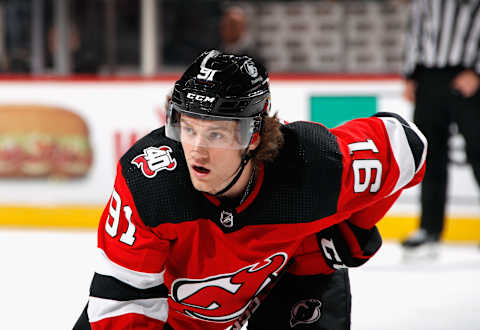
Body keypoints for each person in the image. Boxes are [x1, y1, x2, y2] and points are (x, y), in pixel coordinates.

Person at [74, 50, 426, 329]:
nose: (196, 149)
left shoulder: (311, 164)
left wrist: (352, 228)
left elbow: (409, 146)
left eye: (216, 134)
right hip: (169, 316)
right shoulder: (150, 183)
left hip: (295, 281)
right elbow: (123, 301)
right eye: (188, 127)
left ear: (253, 137)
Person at [401, 0, 480, 257]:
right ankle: (429, 229)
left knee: (478, 150)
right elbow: (416, 30)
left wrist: (476, 71)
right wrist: (411, 75)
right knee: (429, 155)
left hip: (466, 75)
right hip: (427, 77)